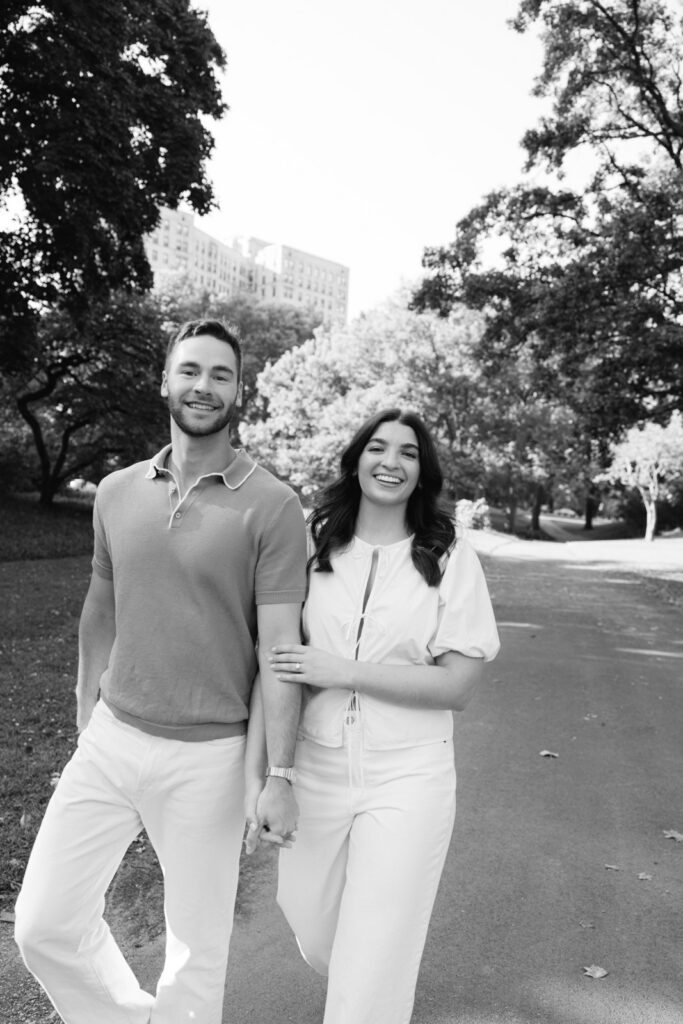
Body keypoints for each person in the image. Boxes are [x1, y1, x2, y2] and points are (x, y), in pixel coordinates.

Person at [14, 319, 307, 1024]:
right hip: (112, 739)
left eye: (220, 375)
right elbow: (100, 605)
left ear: (240, 392)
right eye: (190, 370)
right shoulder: (117, 491)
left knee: (194, 956)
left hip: (209, 758)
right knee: (43, 925)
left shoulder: (273, 506)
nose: (203, 386)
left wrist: (277, 774)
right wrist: (88, 705)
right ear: (165, 381)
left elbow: (279, 654)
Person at [246, 407, 500, 1024]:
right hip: (318, 766)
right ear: (356, 461)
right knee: (311, 921)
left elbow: (458, 685)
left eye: (409, 453)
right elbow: (274, 667)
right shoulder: (313, 548)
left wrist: (346, 671)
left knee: (377, 950)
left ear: (422, 472)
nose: (392, 462)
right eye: (379, 448)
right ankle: (365, 980)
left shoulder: (450, 556)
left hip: (409, 775)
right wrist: (263, 781)